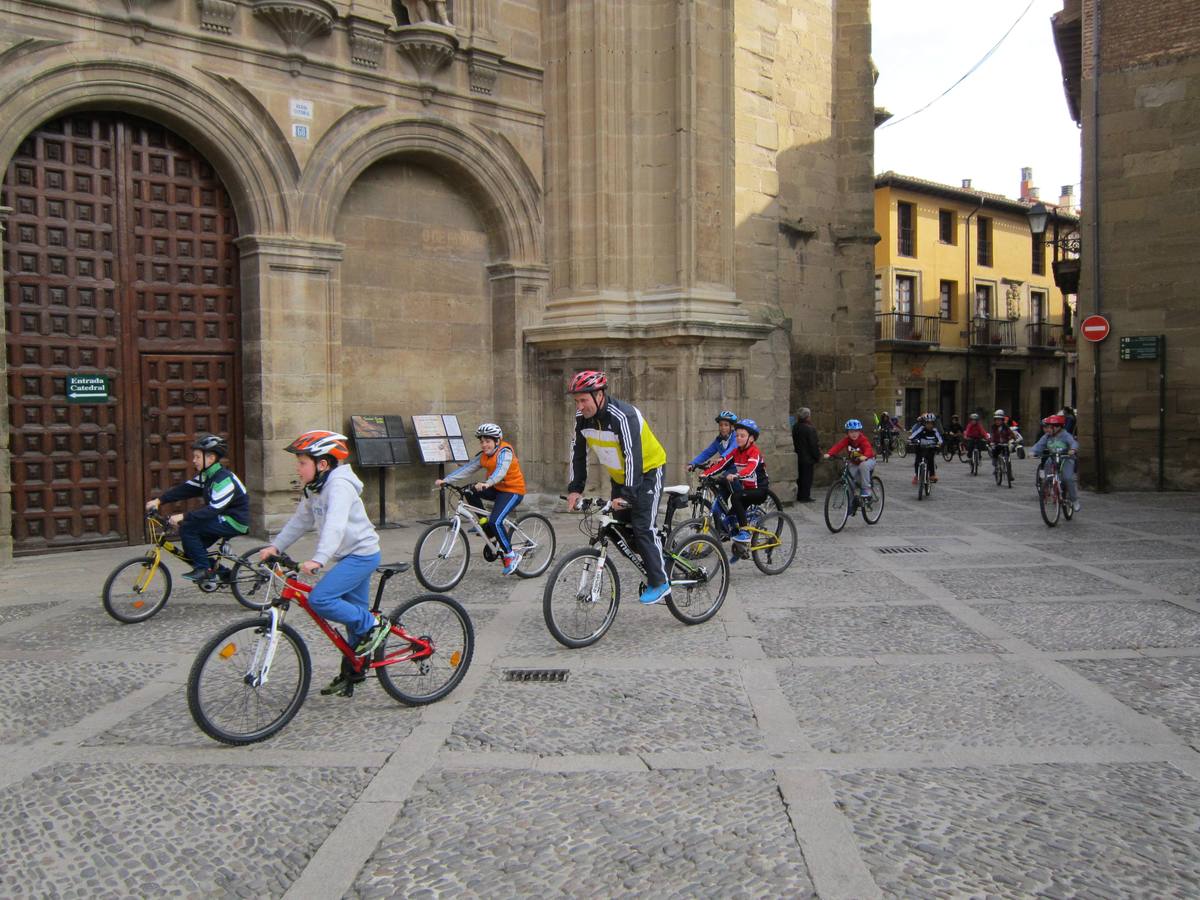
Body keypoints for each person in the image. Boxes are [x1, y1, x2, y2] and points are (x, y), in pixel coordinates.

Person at [259, 430, 386, 697]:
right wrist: (276, 546)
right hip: (348, 555)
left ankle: (373, 625)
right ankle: (352, 673)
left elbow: (335, 526)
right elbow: (300, 521)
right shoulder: (314, 488)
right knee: (353, 625)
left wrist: (319, 559)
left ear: (323, 464)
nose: (298, 467)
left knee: (320, 600)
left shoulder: (339, 486)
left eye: (302, 462)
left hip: (361, 555)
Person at [566, 370, 671, 605]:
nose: (580, 406)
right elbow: (578, 454)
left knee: (642, 527)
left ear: (599, 394)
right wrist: (575, 489)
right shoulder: (581, 419)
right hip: (621, 477)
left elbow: (633, 456)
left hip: (647, 473)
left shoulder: (624, 415)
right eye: (577, 401)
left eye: (584, 400)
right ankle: (656, 553)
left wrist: (626, 495)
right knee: (621, 528)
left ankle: (660, 580)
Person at [146, 433, 249, 583]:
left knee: (188, 529)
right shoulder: (206, 475)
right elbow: (185, 489)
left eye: (197, 457)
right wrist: (159, 500)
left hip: (234, 520)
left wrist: (183, 516)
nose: (194, 460)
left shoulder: (224, 480)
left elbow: (213, 510)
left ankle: (205, 571)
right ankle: (223, 573)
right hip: (220, 517)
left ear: (211, 458)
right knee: (192, 548)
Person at [436, 422, 526, 574]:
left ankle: (511, 555)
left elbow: (500, 472)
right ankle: (484, 524)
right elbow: (467, 469)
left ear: (497, 441)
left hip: (513, 491)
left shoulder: (505, 452)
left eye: (488, 441)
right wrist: (447, 480)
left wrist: (487, 483)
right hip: (496, 488)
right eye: (482, 441)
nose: (484, 444)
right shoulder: (484, 456)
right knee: (469, 491)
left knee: (496, 521)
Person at [703, 417, 769, 543]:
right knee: (729, 517)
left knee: (736, 497)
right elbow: (721, 464)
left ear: (751, 438)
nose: (738, 438)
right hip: (747, 490)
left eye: (742, 436)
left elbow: (750, 468)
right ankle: (735, 536)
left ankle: (745, 532)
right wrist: (706, 474)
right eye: (737, 435)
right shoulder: (736, 452)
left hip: (759, 490)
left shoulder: (754, 452)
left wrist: (737, 475)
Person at [1031, 414, 1081, 510]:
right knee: (1047, 465)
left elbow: (1073, 442)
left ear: (1058, 427)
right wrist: (1033, 452)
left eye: (1050, 427)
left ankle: (1074, 500)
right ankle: (1048, 484)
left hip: (1066, 458)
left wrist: (1073, 449)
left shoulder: (1065, 435)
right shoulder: (1047, 436)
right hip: (1053, 457)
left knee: (1068, 478)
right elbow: (1039, 444)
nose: (1047, 430)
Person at [822, 418, 876, 501]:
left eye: (856, 431)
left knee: (863, 466)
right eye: (851, 432)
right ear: (848, 432)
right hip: (855, 462)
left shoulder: (863, 439)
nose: (854, 434)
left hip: (868, 460)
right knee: (849, 480)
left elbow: (868, 448)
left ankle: (866, 489)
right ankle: (850, 504)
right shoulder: (847, 440)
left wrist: (865, 456)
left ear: (859, 431)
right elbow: (838, 446)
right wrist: (830, 453)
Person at [792, 407, 820, 502]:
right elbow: (813, 444)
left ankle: (800, 495)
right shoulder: (810, 429)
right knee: (807, 478)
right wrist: (817, 456)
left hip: (798, 456)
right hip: (807, 458)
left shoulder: (795, 427)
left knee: (800, 477)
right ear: (807, 417)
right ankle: (805, 496)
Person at [908, 413, 943, 484]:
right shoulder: (921, 429)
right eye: (927, 423)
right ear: (924, 423)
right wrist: (911, 440)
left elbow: (940, 439)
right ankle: (917, 475)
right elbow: (913, 436)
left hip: (931, 449)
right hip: (921, 449)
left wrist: (939, 443)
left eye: (931, 423)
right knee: (917, 461)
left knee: (931, 460)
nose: (929, 425)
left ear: (933, 424)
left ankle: (932, 475)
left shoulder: (935, 431)